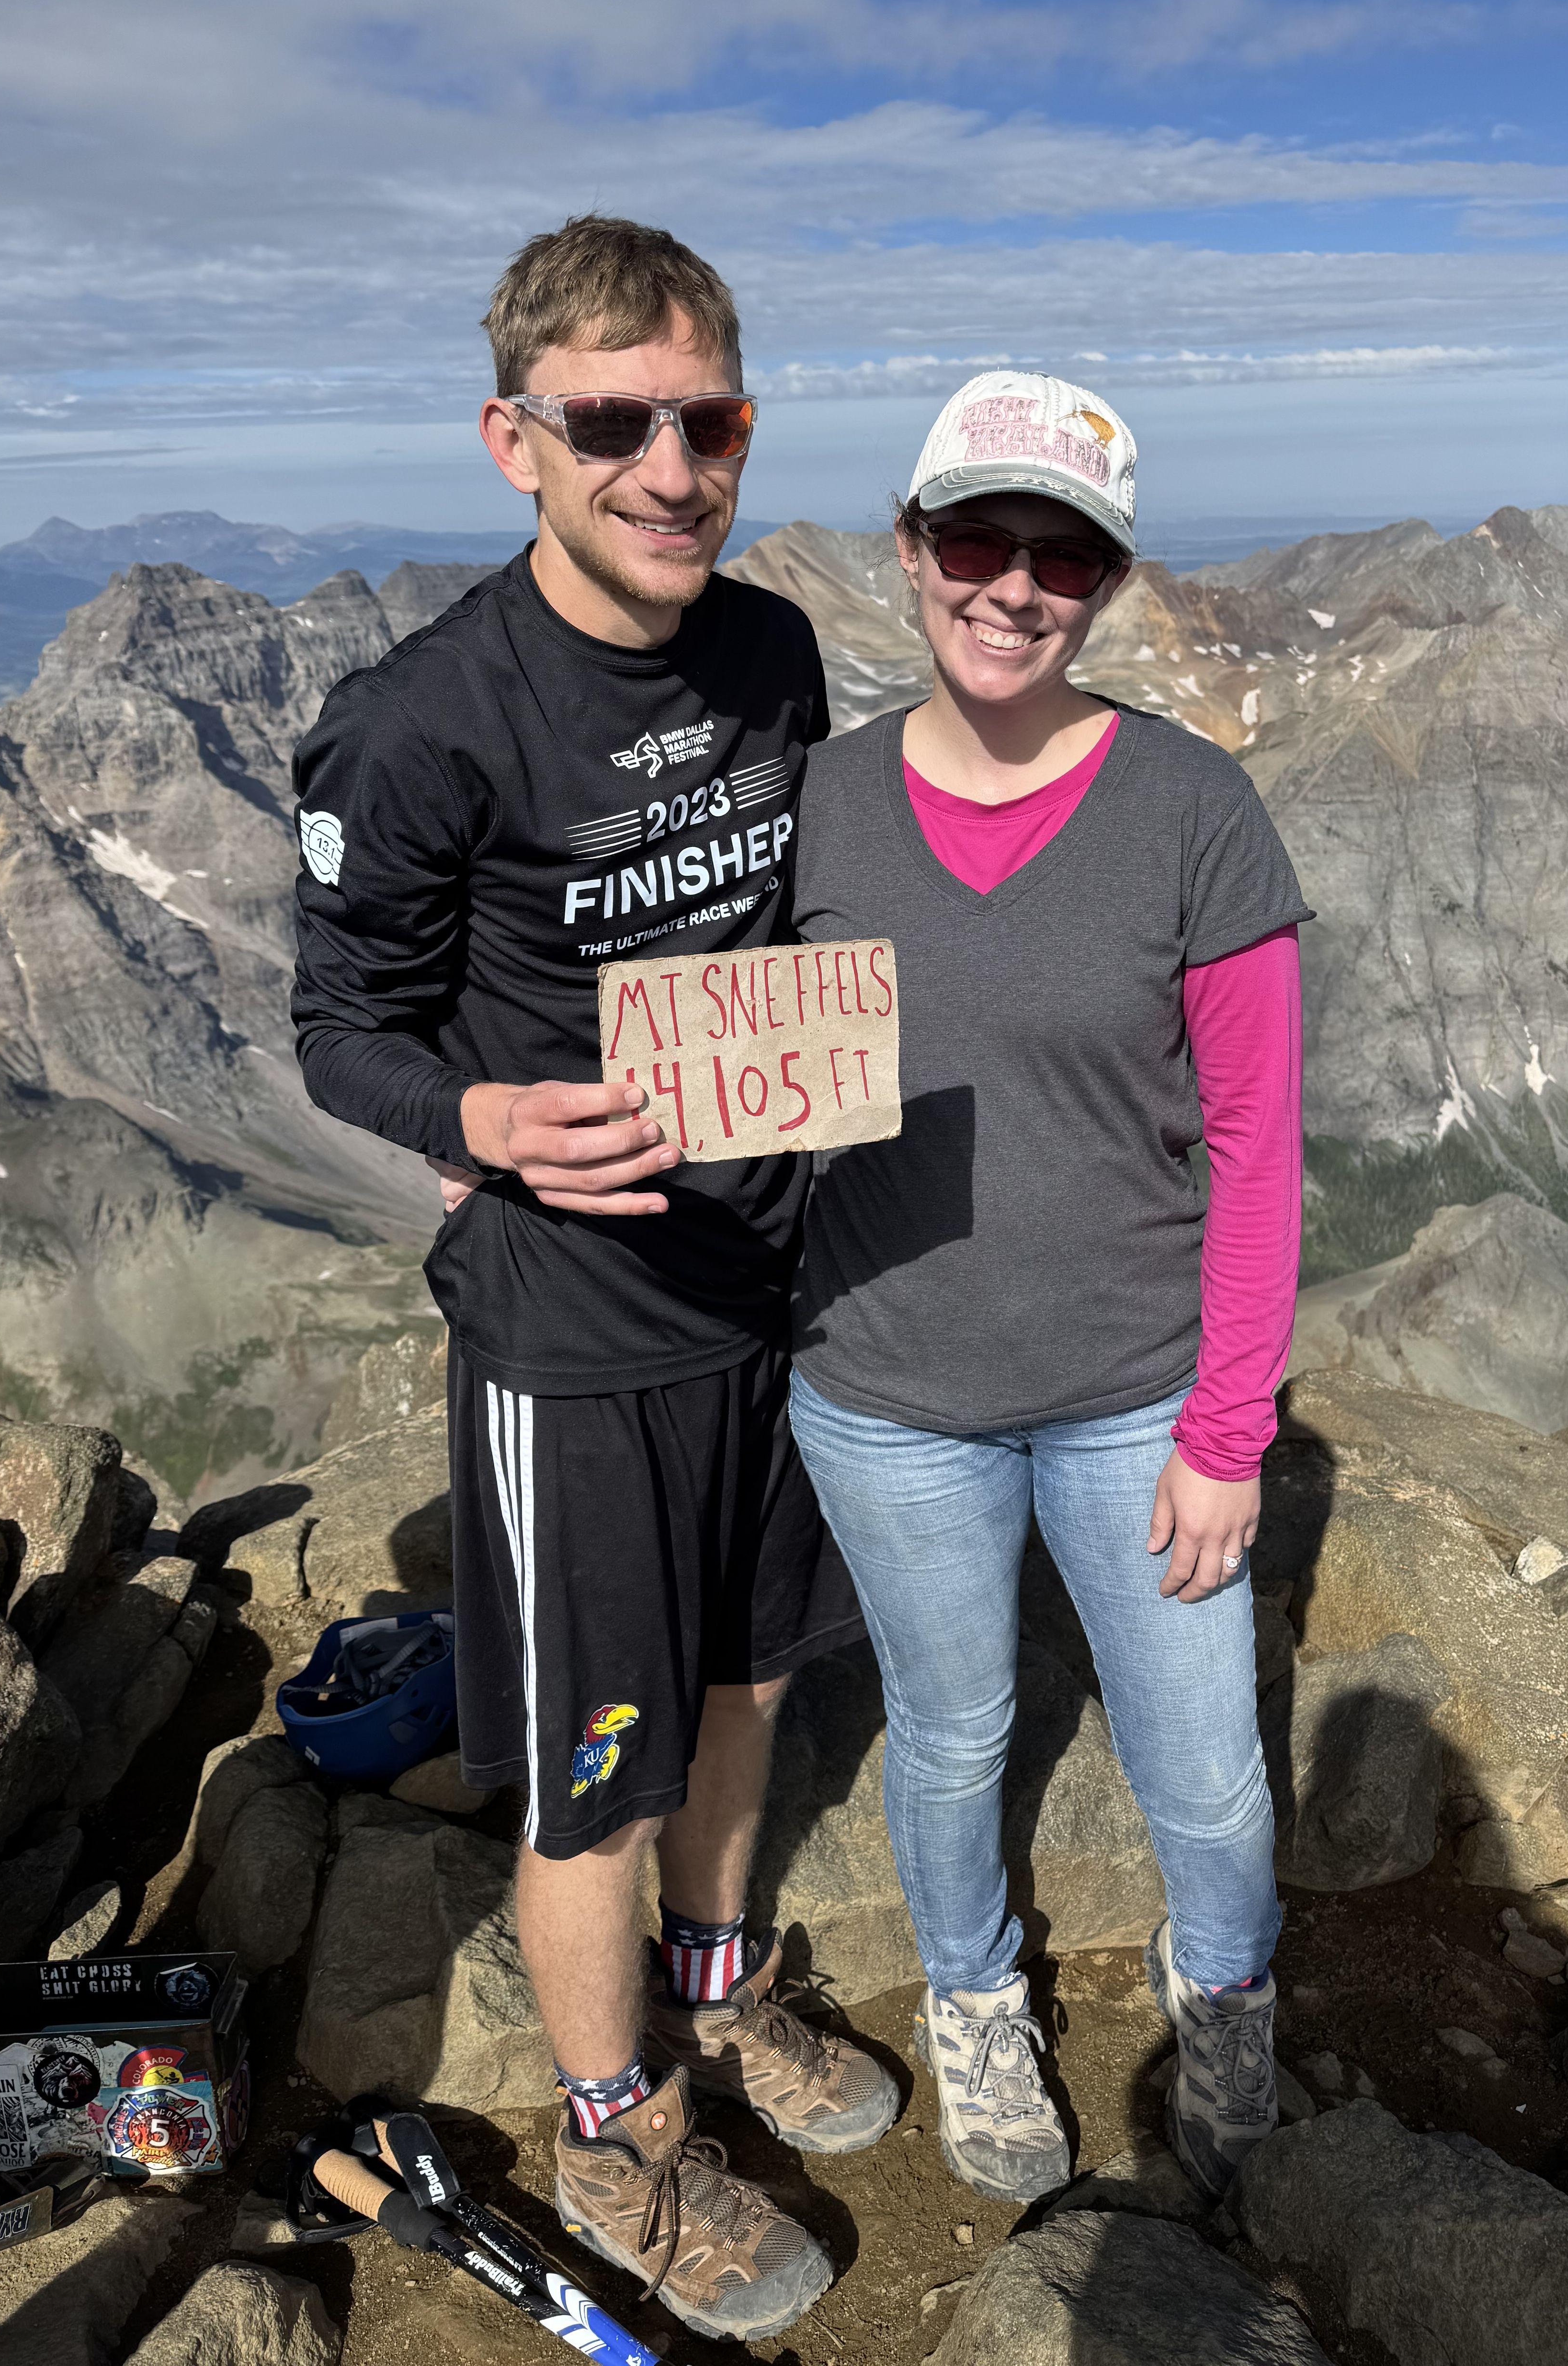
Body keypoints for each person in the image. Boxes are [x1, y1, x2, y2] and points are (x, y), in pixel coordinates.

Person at [289, 217, 894, 2341]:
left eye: (706, 418)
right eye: (616, 422)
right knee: (596, 1768)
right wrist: (480, 1128)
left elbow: (798, 909)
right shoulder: (422, 724)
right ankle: (611, 2121)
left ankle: (720, 1990)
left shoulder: (772, 651)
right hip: (574, 1338)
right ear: (515, 443)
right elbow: (340, 1025)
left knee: (753, 1682)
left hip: (768, 1286)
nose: (671, 464)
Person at [784, 371, 1310, 2203]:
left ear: (1106, 582)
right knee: (951, 1729)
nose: (1014, 587)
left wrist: (1227, 1430)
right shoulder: (817, 810)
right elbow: (741, 1080)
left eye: (1062, 555)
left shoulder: (1193, 810)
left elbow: (1256, 1140)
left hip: (1133, 1389)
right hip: (884, 1389)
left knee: (1206, 1762)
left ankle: (1225, 1986)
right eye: (976, 541)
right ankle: (973, 1993)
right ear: (911, 550)